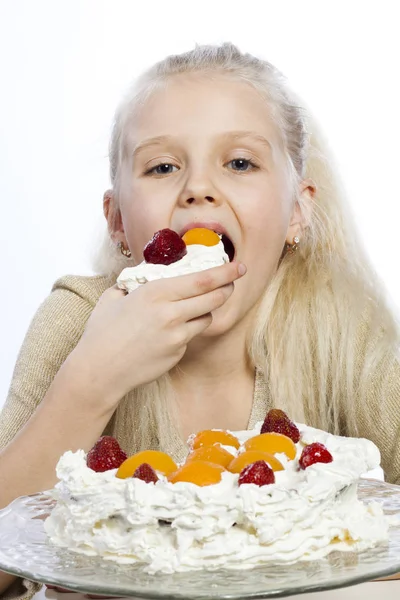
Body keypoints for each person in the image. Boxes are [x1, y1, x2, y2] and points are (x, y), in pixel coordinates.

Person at [0, 42, 399, 598]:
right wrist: (91, 381)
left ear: (297, 211)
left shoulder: (343, 334)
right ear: (117, 222)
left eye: (240, 163)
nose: (197, 188)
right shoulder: (77, 320)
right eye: (162, 166)